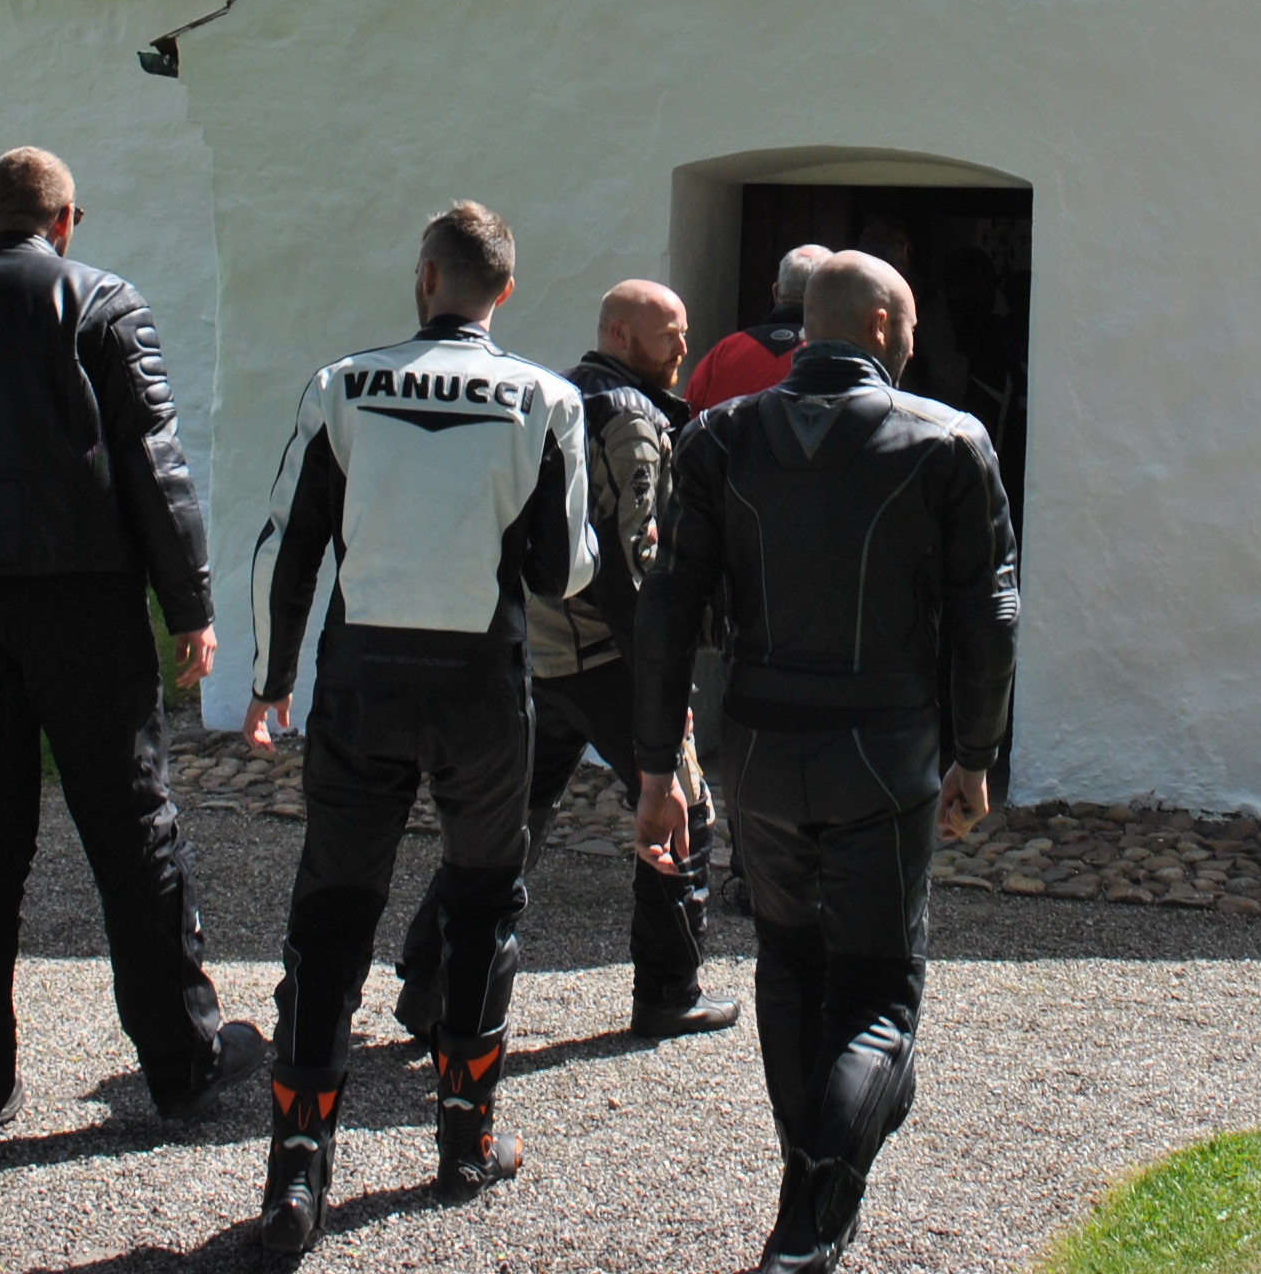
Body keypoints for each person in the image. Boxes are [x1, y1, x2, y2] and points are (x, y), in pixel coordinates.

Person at [632, 250, 1019, 1274]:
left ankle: (808, 1191)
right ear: (884, 326)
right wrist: (976, 754)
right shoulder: (948, 439)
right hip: (882, 754)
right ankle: (809, 1224)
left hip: (761, 752)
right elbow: (988, 616)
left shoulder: (719, 434)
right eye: (911, 322)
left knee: (792, 966)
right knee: (881, 997)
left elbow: (668, 607)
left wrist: (657, 768)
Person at [0, 147, 257, 1143]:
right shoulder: (101, 302)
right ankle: (180, 1064)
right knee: (133, 834)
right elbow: (152, 460)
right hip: (84, 600)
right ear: (65, 220)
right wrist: (190, 605)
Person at [241, 201, 593, 1261]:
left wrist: (270, 680)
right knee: (484, 901)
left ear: (424, 276)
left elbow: (285, 544)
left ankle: (296, 1175)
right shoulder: (547, 398)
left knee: (333, 908)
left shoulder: (342, 384)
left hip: (362, 679)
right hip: (480, 686)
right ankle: (464, 1142)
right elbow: (559, 572)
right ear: (504, 292)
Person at [388, 277, 736, 1042]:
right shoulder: (630, 417)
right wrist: (661, 685)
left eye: (684, 331)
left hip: (538, 653)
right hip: (606, 658)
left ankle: (428, 989)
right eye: (668, 333)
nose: (684, 345)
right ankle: (669, 993)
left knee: (504, 826)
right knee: (682, 808)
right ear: (618, 334)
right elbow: (634, 563)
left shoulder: (550, 396)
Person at [687, 243, 828, 412]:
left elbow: (689, 416)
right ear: (831, 298)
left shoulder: (722, 353)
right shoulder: (835, 358)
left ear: (776, 292)